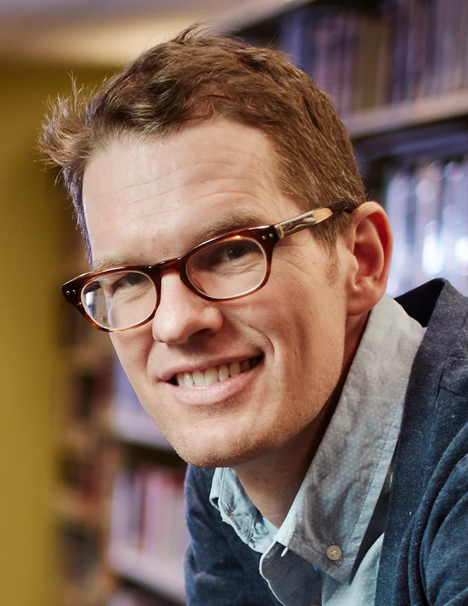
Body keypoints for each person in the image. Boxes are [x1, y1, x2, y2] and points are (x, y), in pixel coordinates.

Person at [40, 27, 468, 606]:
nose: (175, 324)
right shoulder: (229, 477)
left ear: (361, 260)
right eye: (128, 280)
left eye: (233, 250)